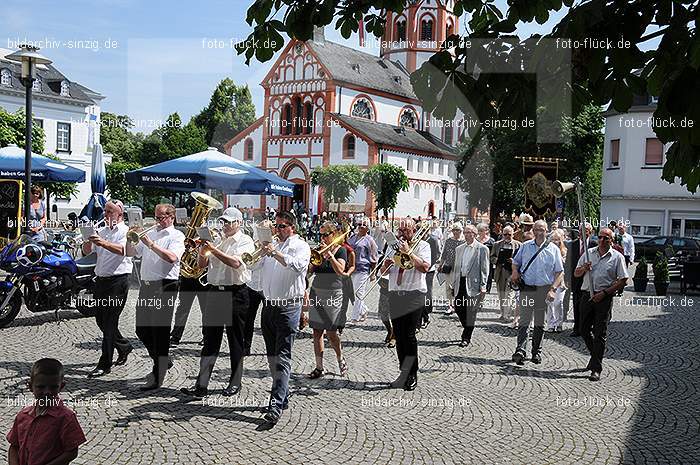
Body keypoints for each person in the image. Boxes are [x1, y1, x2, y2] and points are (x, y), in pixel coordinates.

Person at [181, 208, 255, 398]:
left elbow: (236, 264)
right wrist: (201, 250)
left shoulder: (245, 241)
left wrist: (212, 249)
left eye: (229, 222)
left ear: (239, 222)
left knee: (235, 340)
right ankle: (201, 384)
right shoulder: (217, 239)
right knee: (210, 340)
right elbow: (201, 265)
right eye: (223, 221)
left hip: (236, 293)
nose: (225, 225)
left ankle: (235, 381)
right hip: (214, 292)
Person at [259, 212, 311, 425]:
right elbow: (253, 268)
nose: (277, 230)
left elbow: (296, 266)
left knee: (282, 356)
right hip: (269, 306)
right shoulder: (273, 246)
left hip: (288, 307)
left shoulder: (301, 246)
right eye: (276, 226)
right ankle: (283, 395)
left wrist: (274, 253)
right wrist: (262, 251)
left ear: (292, 227)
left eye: (281, 226)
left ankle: (276, 403)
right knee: (272, 356)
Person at [126, 204, 185, 390]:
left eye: (161, 217)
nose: (158, 221)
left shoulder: (177, 236)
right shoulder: (152, 233)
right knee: (141, 329)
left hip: (165, 285)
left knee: (160, 332)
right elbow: (130, 253)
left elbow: (172, 258)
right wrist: (131, 238)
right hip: (147, 286)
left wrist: (150, 244)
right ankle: (163, 360)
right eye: (156, 217)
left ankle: (158, 375)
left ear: (171, 217)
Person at [83, 200, 134, 378]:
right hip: (102, 280)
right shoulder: (102, 230)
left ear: (120, 215)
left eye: (110, 212)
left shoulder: (126, 232)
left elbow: (123, 251)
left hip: (118, 281)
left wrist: (101, 242)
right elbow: (88, 252)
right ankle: (124, 346)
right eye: (105, 211)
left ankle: (105, 364)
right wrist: (88, 240)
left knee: (110, 322)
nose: (105, 215)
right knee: (101, 320)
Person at [380, 218, 430, 391]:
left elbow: (424, 267)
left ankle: (412, 373)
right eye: (400, 230)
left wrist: (409, 252)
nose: (403, 233)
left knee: (409, 336)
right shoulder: (393, 246)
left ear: (414, 230)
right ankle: (403, 373)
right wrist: (385, 265)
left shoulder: (423, 245)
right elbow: (383, 272)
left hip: (414, 294)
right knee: (399, 336)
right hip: (395, 294)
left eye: (407, 230)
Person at [6, 358, 86, 465]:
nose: (47, 392)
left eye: (53, 387)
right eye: (41, 387)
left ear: (61, 386)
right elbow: (14, 446)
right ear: (30, 387)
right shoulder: (23, 416)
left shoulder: (66, 417)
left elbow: (72, 452)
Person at [574, 227, 628, 381]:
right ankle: (595, 355)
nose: (603, 240)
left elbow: (623, 280)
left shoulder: (617, 257)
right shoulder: (589, 253)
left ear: (612, 240)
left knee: (600, 333)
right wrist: (584, 268)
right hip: (587, 296)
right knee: (583, 329)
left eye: (606, 238)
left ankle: (596, 368)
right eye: (601, 237)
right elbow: (576, 273)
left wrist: (604, 293)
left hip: (604, 298)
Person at [510, 220, 564, 365]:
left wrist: (553, 290)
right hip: (527, 289)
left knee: (540, 323)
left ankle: (536, 352)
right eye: (537, 230)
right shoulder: (526, 246)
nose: (540, 233)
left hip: (543, 290)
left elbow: (559, 272)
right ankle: (520, 350)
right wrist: (515, 272)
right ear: (533, 231)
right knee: (524, 321)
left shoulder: (553, 249)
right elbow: (516, 262)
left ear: (547, 231)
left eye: (542, 230)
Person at [305, 221, 349, 379]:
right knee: (317, 332)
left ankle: (340, 358)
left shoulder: (341, 251)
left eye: (325, 234)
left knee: (331, 332)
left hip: (333, 294)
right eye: (321, 235)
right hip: (317, 292)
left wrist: (330, 256)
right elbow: (310, 271)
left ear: (334, 234)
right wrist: (311, 261)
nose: (322, 238)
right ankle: (319, 367)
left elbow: (340, 270)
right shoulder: (319, 251)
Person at [450, 224, 490, 347]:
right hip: (460, 281)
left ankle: (466, 337)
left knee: (471, 311)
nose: (467, 235)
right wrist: (453, 282)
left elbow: (485, 269)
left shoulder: (482, 249)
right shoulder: (459, 248)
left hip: (474, 283)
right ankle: (468, 326)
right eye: (465, 232)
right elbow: (456, 268)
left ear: (475, 234)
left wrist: (483, 286)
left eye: (469, 232)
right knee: (458, 307)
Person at [243, 219, 273, 357]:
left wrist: (268, 251)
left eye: (265, 231)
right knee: (248, 319)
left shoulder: (275, 247)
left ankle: (270, 348)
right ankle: (245, 347)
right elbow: (250, 266)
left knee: (268, 321)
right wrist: (260, 253)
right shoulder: (254, 246)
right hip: (252, 285)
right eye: (260, 231)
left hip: (268, 288)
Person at [348, 220, 378, 324]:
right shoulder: (352, 237)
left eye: (364, 225)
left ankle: (355, 318)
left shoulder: (370, 240)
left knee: (358, 293)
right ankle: (364, 310)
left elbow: (374, 258)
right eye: (359, 224)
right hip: (351, 268)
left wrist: (373, 273)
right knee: (352, 293)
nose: (361, 226)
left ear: (368, 228)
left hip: (363, 269)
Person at [490, 225, 521, 322]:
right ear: (502, 234)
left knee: (509, 294)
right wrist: (498, 260)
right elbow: (491, 257)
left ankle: (507, 315)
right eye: (505, 234)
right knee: (501, 294)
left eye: (509, 234)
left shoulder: (519, 245)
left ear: (513, 234)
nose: (507, 236)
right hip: (500, 271)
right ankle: (503, 313)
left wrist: (514, 261)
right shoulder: (496, 244)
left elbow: (521, 259)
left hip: (512, 272)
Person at [571, 223, 597, 337]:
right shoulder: (573, 245)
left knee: (588, 304)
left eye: (585, 230)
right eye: (580, 230)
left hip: (589, 279)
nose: (582, 232)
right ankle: (577, 328)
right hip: (576, 278)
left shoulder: (594, 245)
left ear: (590, 232)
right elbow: (569, 263)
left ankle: (588, 327)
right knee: (576, 303)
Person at [439, 222, 464, 314]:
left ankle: (457, 304)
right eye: (454, 230)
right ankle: (450, 305)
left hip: (460, 268)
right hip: (449, 266)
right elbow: (444, 254)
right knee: (448, 287)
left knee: (458, 287)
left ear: (461, 231)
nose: (455, 232)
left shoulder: (463, 242)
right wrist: (441, 264)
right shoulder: (448, 241)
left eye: (457, 230)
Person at [546, 229, 568, 332]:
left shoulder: (564, 251)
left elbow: (563, 266)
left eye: (557, 240)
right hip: (549, 280)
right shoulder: (547, 251)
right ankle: (550, 324)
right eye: (553, 239)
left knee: (558, 303)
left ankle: (559, 323)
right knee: (550, 303)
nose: (555, 241)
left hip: (560, 281)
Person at [422, 222, 442, 328]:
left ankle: (427, 314)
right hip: (419, 268)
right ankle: (421, 316)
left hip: (429, 269)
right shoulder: (418, 239)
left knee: (427, 292)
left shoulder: (433, 239)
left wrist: (428, 266)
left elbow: (437, 254)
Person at [477, 222, 495, 292]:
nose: (480, 232)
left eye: (481, 230)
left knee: (488, 275)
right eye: (479, 230)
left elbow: (494, 252)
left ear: (486, 231)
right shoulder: (475, 240)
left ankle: (487, 288)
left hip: (488, 261)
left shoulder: (491, 241)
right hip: (477, 261)